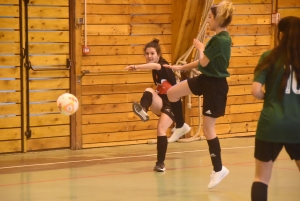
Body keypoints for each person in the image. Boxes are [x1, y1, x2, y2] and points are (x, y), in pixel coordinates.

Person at [163, 0, 233, 188]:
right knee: (172, 93)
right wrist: (182, 66)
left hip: (216, 86)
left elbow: (205, 61)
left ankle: (218, 169)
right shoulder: (218, 38)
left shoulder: (222, 39)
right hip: (205, 79)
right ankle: (181, 125)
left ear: (218, 18)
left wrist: (200, 48)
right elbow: (203, 63)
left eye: (210, 17)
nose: (208, 21)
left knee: (208, 130)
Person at [251, 16, 300, 201]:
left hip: (271, 124)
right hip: (298, 125)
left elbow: (255, 91)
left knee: (261, 179)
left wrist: (270, 97)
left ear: (280, 34)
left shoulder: (269, 56)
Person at [125, 39, 187, 172]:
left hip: (172, 103)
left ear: (158, 55)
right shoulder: (155, 70)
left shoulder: (162, 65)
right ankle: (142, 110)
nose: (149, 56)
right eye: (147, 54)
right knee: (149, 91)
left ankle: (160, 164)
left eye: (152, 53)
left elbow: (154, 66)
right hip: (162, 101)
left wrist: (136, 67)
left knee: (160, 129)